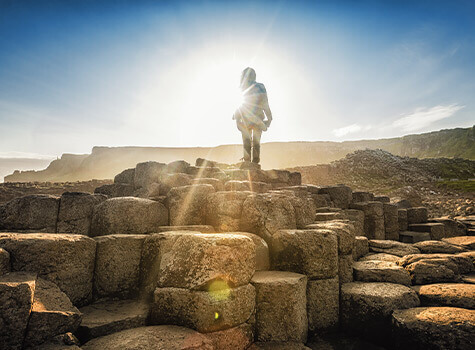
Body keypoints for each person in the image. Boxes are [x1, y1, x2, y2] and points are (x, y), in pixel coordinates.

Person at [233, 67, 272, 164]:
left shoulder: (243, 87)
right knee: (254, 142)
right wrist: (269, 117)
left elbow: (239, 103)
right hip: (255, 118)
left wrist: (236, 117)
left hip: (247, 119)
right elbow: (265, 103)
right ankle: (253, 163)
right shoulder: (259, 86)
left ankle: (249, 163)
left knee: (249, 142)